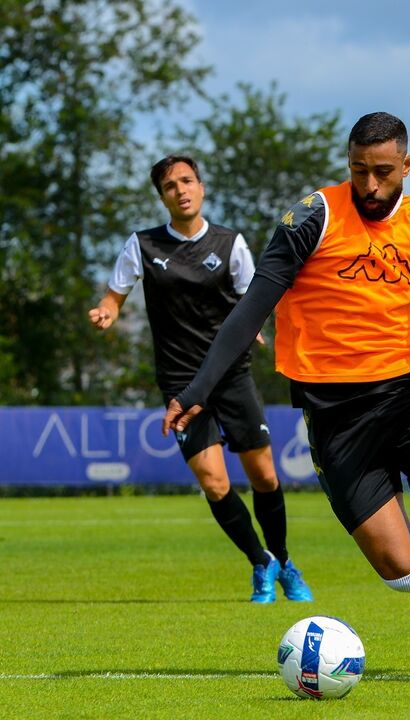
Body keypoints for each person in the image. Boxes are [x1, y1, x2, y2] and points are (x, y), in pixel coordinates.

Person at [162, 113, 410, 680]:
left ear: (406, 165)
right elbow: (254, 303)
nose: (371, 186)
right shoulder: (313, 217)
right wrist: (199, 388)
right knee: (399, 571)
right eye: (359, 171)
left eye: (383, 172)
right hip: (335, 416)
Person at [88, 155, 313, 604]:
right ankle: (260, 562)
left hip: (230, 376)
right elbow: (115, 294)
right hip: (179, 383)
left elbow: (254, 298)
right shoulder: (143, 245)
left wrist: (260, 330)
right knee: (214, 483)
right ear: (162, 196)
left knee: (265, 476)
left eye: (187, 180)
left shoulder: (230, 244)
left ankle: (285, 560)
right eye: (170, 185)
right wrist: (107, 311)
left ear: (202, 187)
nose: (181, 190)